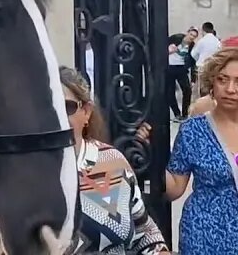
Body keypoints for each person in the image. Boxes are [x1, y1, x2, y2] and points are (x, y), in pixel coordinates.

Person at [58, 67, 168, 254]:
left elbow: (144, 233)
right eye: (47, 107)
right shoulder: (21, 173)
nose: (56, 116)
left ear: (86, 111)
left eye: (66, 107)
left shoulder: (112, 162)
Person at [165, 46, 238, 255]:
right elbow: (175, 188)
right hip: (204, 234)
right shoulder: (194, 129)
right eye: (223, 79)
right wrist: (145, 156)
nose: (230, 88)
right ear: (212, 82)